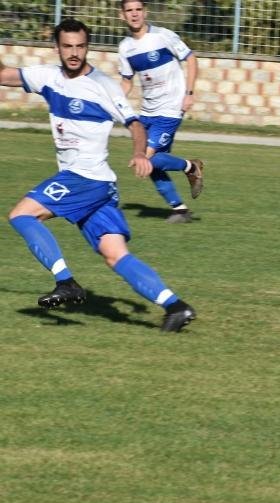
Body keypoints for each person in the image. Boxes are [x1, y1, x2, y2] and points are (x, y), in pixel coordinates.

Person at [0, 18, 196, 332]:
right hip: (99, 186)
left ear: (87, 46)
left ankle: (66, 282)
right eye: (68, 46)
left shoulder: (103, 86)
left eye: (80, 46)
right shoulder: (46, 76)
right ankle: (176, 306)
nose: (74, 53)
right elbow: (3, 74)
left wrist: (137, 153)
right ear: (57, 48)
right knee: (114, 254)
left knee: (22, 215)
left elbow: (134, 124)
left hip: (85, 179)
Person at [118, 0, 204, 224]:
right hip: (147, 111)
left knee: (146, 159)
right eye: (129, 10)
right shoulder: (125, 47)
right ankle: (180, 209)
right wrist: (112, 102)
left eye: (138, 10)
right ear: (122, 15)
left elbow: (191, 59)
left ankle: (190, 166)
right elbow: (127, 82)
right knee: (153, 165)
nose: (134, 14)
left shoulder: (163, 36)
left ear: (145, 12)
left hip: (171, 108)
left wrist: (190, 92)